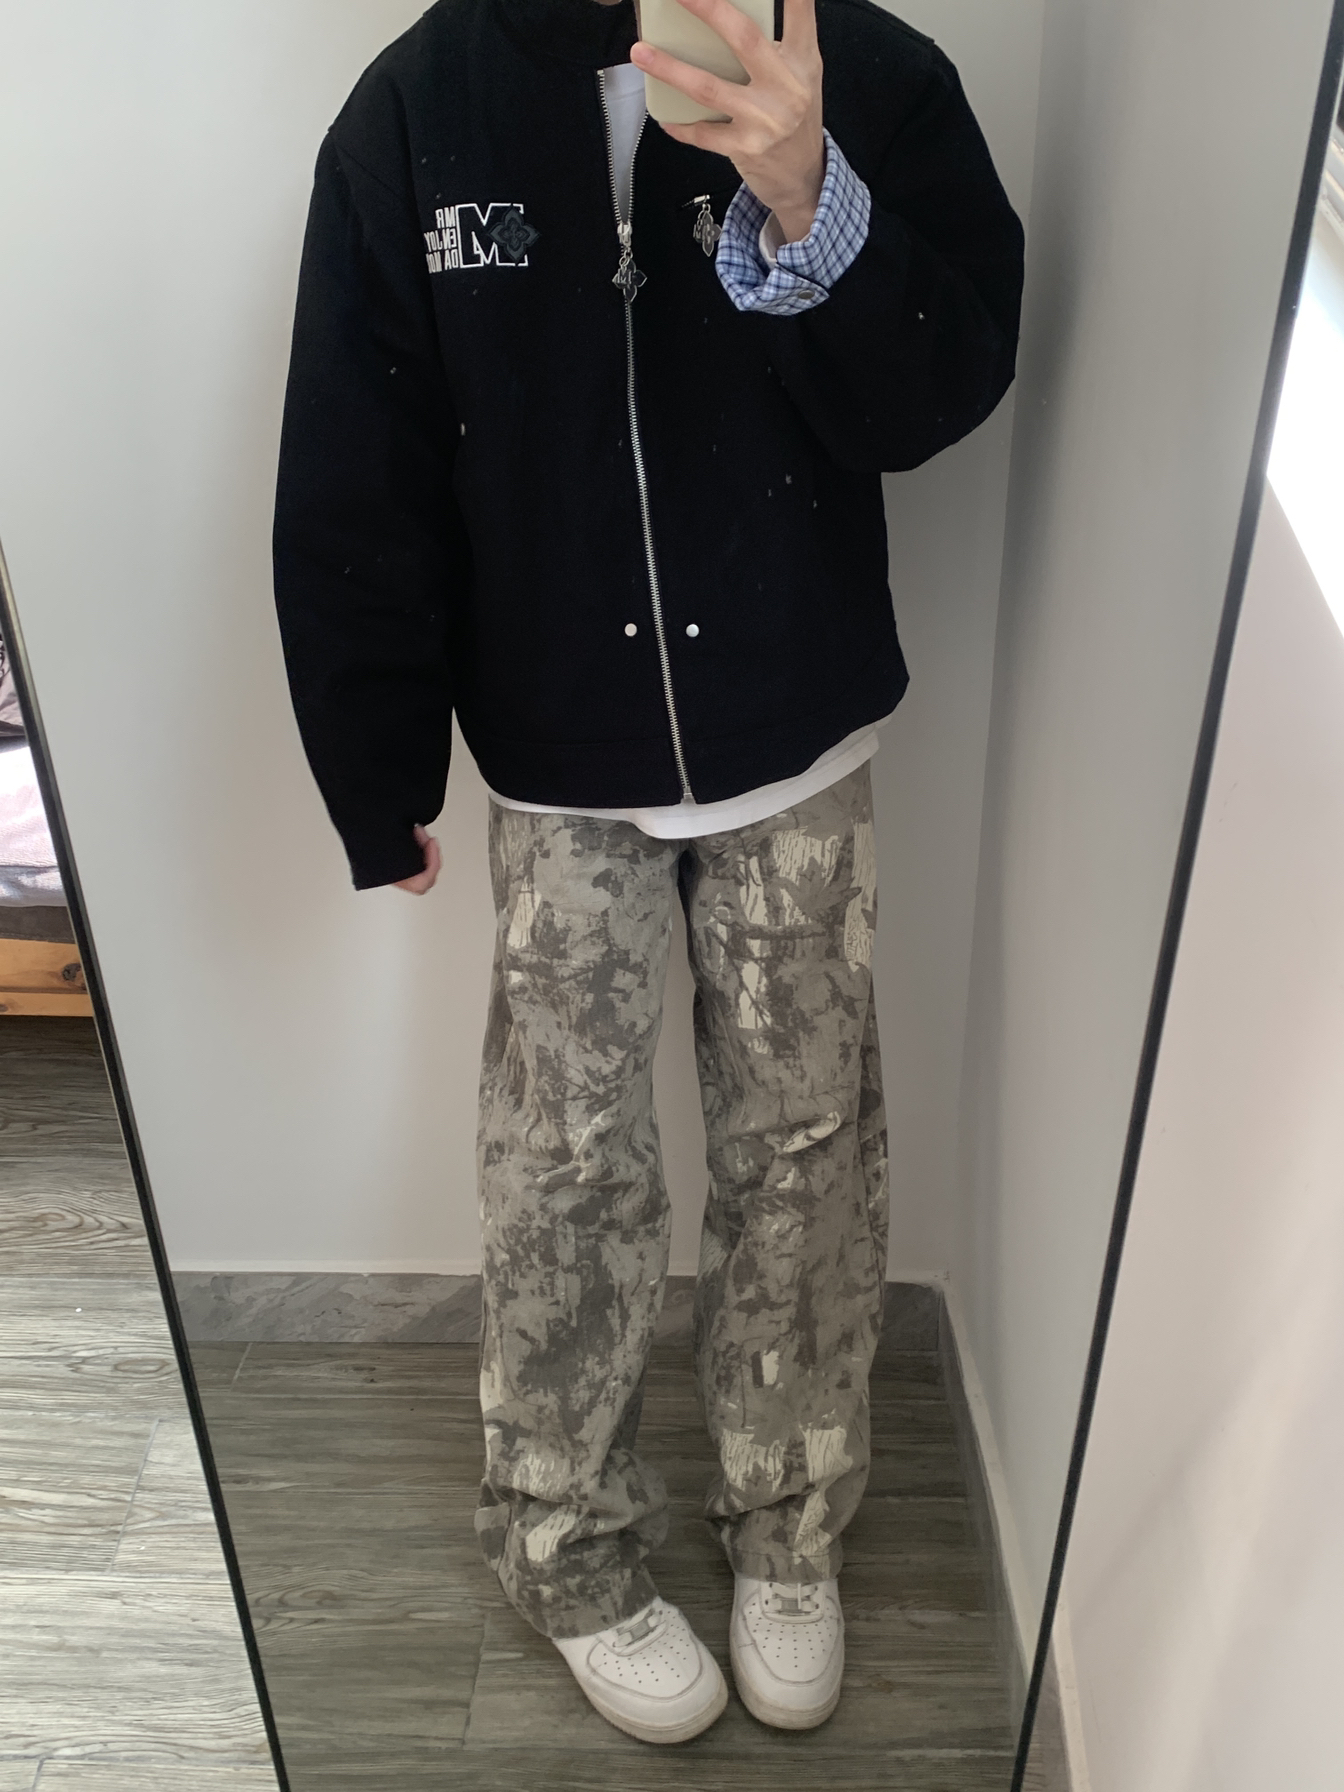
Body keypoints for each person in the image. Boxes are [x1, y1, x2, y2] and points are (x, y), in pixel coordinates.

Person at [273, 0, 1023, 1746]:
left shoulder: (871, 72)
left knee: (805, 1150)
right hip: (558, 758)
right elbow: (360, 458)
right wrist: (374, 766)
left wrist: (809, 192)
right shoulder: (417, 112)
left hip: (796, 731)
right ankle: (568, 1552)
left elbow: (943, 389)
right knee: (565, 1168)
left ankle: (790, 1527)